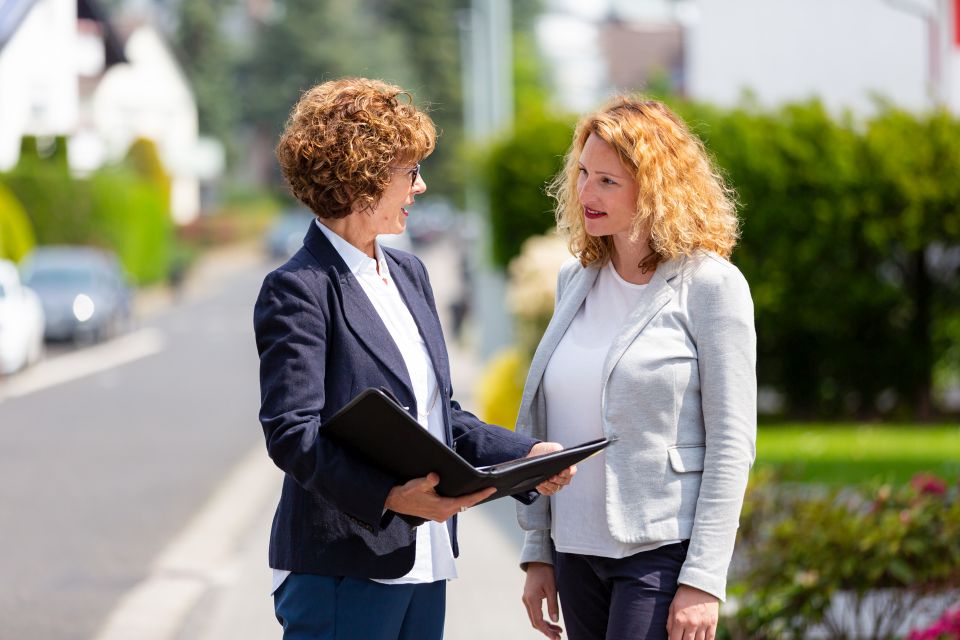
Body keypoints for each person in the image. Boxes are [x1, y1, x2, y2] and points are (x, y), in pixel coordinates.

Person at [254, 77, 572, 640]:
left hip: (424, 563)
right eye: (409, 172)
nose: (419, 187)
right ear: (362, 179)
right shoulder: (299, 288)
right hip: (341, 570)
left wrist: (529, 455)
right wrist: (390, 497)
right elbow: (291, 433)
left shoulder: (409, 275)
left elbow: (438, 415)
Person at [516, 96, 757, 640]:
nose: (585, 194)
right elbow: (546, 422)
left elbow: (731, 443)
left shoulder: (711, 286)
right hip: (574, 548)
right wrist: (539, 552)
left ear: (655, 188)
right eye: (582, 174)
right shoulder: (572, 281)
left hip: (659, 552)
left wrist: (703, 580)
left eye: (607, 181)